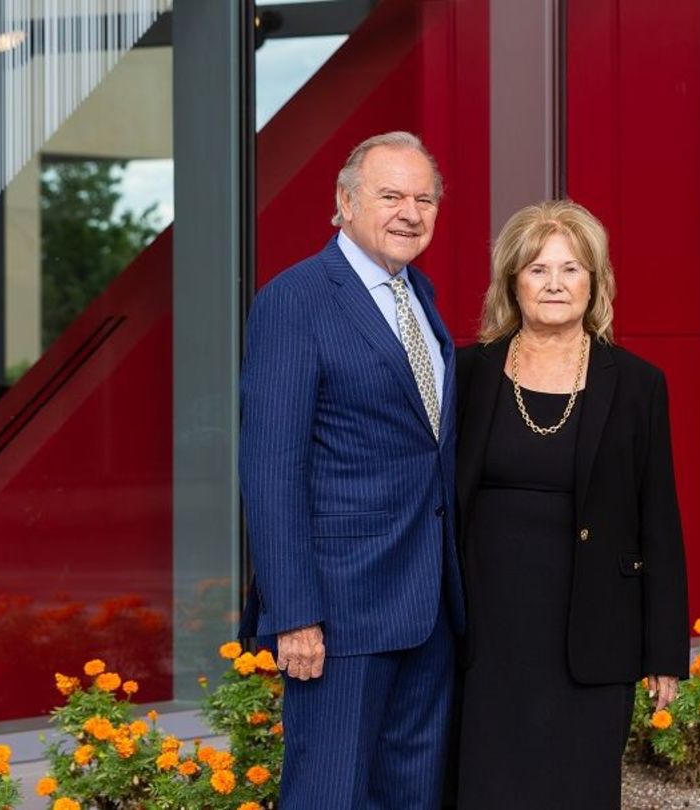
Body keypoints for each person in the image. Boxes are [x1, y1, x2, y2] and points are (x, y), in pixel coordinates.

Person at [237, 131, 464, 810]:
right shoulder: (297, 299)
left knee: (413, 794)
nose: (410, 212)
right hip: (340, 613)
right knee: (329, 793)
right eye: (391, 195)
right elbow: (272, 467)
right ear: (344, 202)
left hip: (428, 605)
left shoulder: (418, 294)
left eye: (424, 198)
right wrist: (295, 613)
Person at [453, 199, 689, 808]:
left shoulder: (638, 384)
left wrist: (664, 651)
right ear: (512, 281)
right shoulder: (467, 373)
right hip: (484, 636)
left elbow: (657, 519)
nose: (554, 284)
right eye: (537, 269)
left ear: (595, 283)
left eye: (571, 269)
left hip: (592, 632)